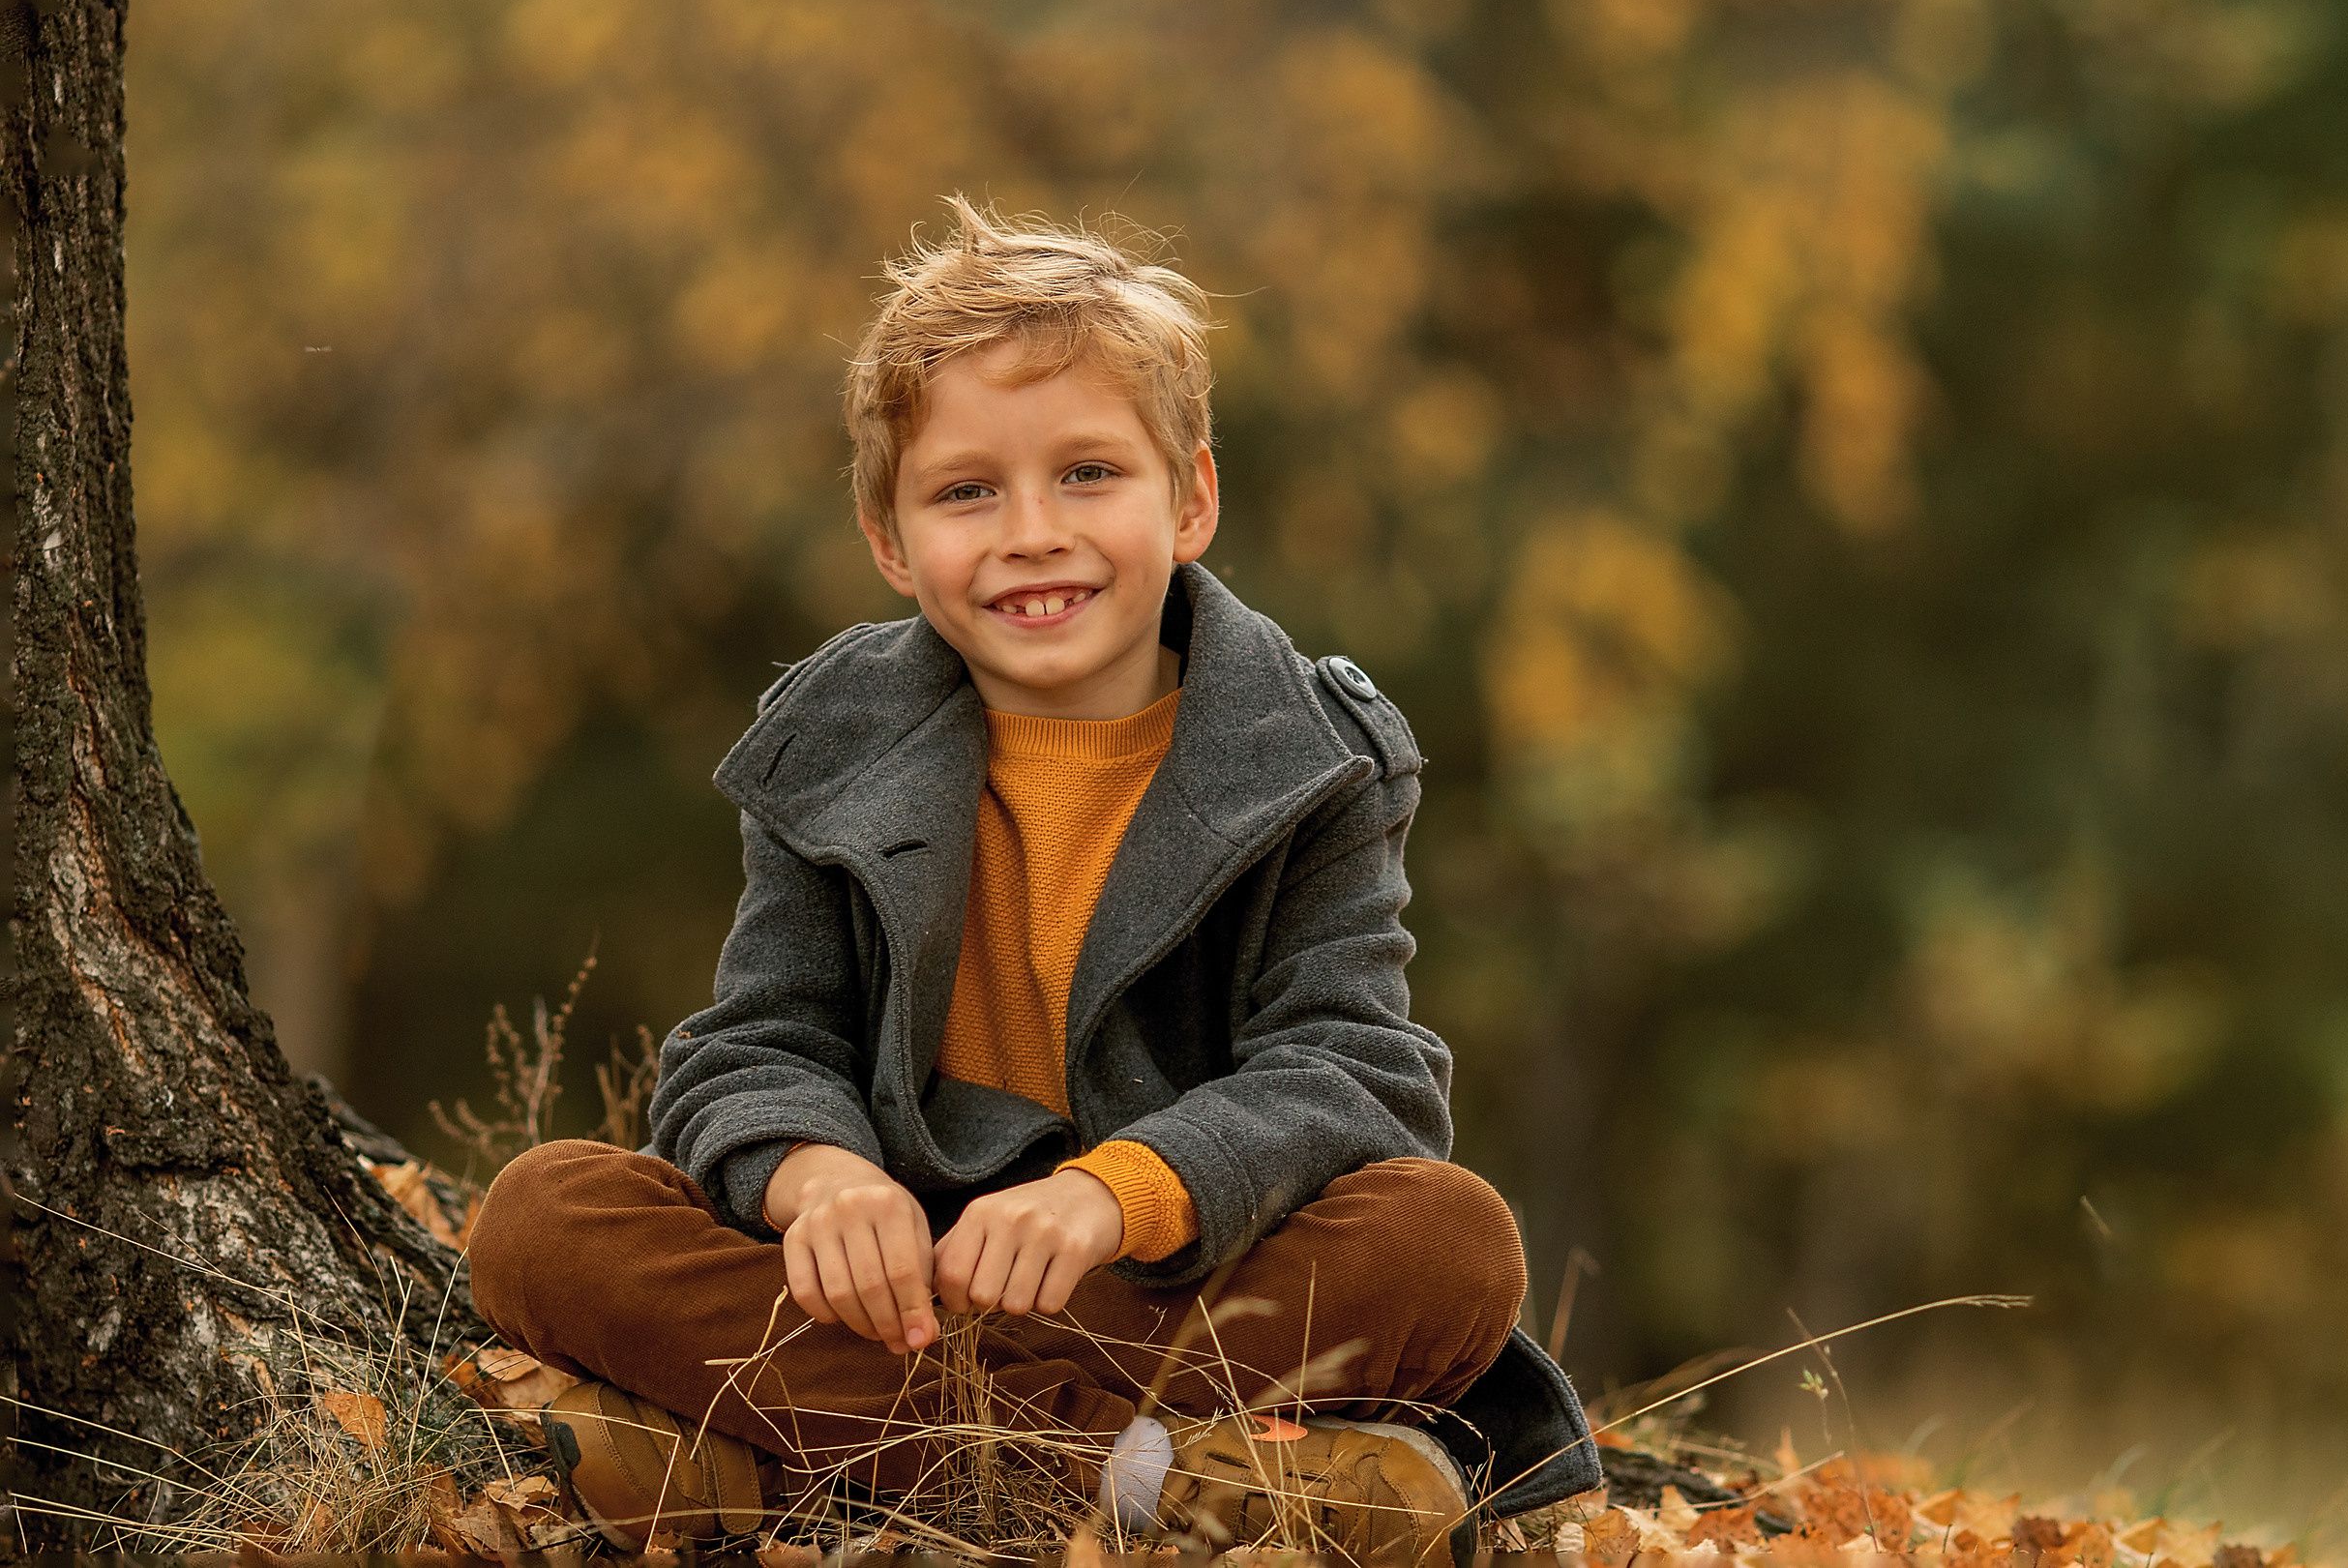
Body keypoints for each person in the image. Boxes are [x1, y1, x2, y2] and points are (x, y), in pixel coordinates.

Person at [463, 199, 1598, 1567]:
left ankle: (821, 1470)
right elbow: (759, 1040)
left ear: (1192, 500)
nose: (1031, 532)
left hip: (1158, 1276)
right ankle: (1143, 1482)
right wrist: (820, 1184)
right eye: (965, 491)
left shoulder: (1311, 760)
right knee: (543, 1219)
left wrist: (1120, 1193)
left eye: (1088, 475)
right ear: (891, 541)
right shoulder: (833, 743)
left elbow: (1356, 1070)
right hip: (898, 1284)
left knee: (1448, 1241)